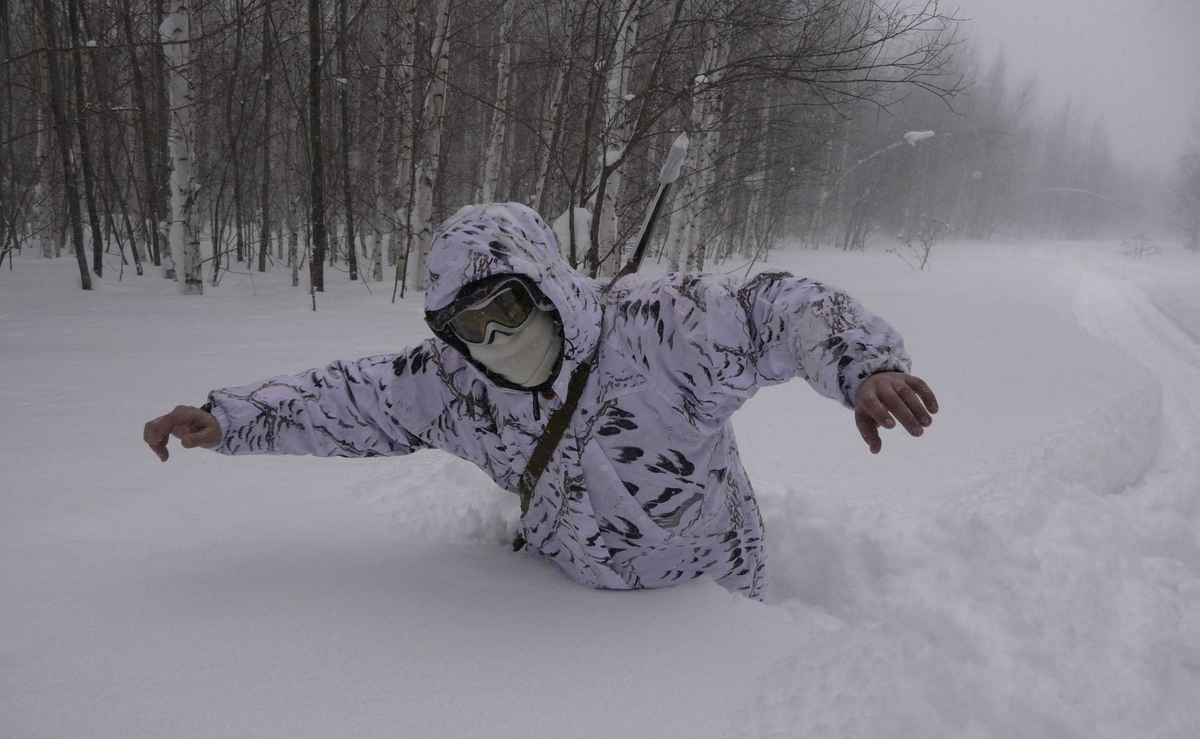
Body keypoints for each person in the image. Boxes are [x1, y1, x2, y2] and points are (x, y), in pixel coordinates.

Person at [144, 203, 937, 599]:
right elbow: (351, 401)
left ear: (547, 284)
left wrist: (860, 367)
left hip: (712, 597)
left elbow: (778, 306)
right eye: (471, 326)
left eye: (509, 308)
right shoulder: (454, 387)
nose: (495, 337)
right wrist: (232, 418)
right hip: (571, 613)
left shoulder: (663, 328)